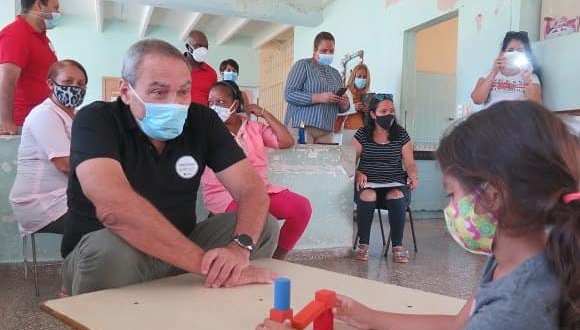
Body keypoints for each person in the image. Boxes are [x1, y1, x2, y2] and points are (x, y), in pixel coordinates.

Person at [257, 100, 580, 330]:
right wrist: (370, 317)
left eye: (450, 193)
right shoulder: (515, 259)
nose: (450, 207)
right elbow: (457, 323)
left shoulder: (514, 309)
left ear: (493, 195)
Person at [60, 39, 279, 296]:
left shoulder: (202, 120)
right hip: (113, 251)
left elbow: (251, 189)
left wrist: (239, 248)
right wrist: (204, 264)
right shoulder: (96, 119)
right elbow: (115, 209)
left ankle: (208, 301)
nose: (174, 103)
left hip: (182, 245)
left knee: (263, 225)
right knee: (110, 249)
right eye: (159, 92)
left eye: (183, 92)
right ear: (126, 91)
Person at [202, 80, 312, 260]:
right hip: (224, 192)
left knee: (301, 208)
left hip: (258, 189)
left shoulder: (254, 128)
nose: (214, 107)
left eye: (220, 102)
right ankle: (244, 260)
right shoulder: (207, 131)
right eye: (210, 103)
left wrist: (263, 113)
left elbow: (286, 141)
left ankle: (277, 258)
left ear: (235, 104)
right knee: (252, 217)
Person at [9, 59, 87, 236]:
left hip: (66, 196)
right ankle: (79, 263)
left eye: (81, 84)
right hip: (39, 203)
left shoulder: (75, 118)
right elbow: (66, 165)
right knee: (112, 221)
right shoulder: (44, 114)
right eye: (68, 82)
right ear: (51, 84)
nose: (75, 88)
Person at [352, 94, 418, 262]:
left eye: (392, 111)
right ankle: (363, 245)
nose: (389, 115)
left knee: (396, 195)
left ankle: (397, 247)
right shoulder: (362, 134)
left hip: (395, 185)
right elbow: (349, 162)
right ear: (373, 114)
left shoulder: (401, 135)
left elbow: (410, 163)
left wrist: (413, 175)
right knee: (368, 195)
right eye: (384, 111)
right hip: (367, 185)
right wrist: (358, 172)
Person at [0, 0, 60, 135]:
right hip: (23, 124)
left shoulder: (43, 38)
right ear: (39, 5)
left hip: (42, 121)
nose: (58, 13)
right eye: (55, 8)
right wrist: (6, 122)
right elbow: (7, 80)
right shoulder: (15, 34)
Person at [284, 31, 349, 144]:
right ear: (315, 50)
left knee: (325, 162)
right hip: (302, 126)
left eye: (331, 51)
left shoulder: (335, 74)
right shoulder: (303, 65)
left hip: (327, 130)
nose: (328, 54)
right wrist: (318, 97)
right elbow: (289, 94)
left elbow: (340, 108)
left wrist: (344, 104)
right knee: (302, 161)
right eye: (324, 51)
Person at [471, 31, 542, 107]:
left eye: (520, 51)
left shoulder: (530, 76)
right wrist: (493, 72)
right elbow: (477, 99)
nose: (515, 53)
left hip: (517, 117)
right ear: (502, 53)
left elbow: (536, 107)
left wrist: (527, 81)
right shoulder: (489, 74)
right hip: (491, 116)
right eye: (510, 50)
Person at [334, 63, 371, 145]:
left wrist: (366, 110)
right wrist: (354, 107)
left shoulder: (367, 94)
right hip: (346, 129)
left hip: (361, 130)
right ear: (353, 77)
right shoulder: (345, 91)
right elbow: (336, 110)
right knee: (346, 155)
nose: (362, 79)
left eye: (364, 77)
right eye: (359, 76)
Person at [185, 30, 217, 105]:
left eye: (205, 46)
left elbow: (212, 101)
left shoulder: (211, 73)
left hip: (202, 116)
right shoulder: (174, 67)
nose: (203, 50)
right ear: (188, 47)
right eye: (198, 46)